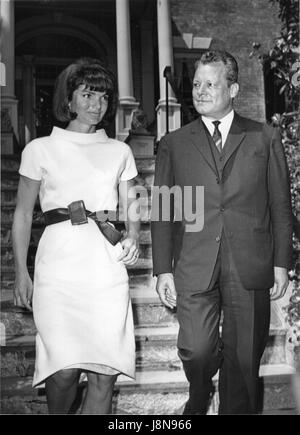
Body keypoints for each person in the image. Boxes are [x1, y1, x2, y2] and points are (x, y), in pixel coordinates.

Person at [151, 50, 293, 415]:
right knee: (197, 350)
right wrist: (163, 268)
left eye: (210, 84)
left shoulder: (264, 138)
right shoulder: (174, 144)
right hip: (194, 260)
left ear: (233, 89)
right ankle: (199, 392)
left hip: (249, 262)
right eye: (196, 83)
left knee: (244, 360)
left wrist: (281, 264)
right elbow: (164, 212)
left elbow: (280, 206)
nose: (200, 90)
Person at [12, 58, 140, 414]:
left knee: (103, 374)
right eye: (87, 95)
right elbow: (22, 213)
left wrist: (132, 236)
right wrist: (21, 272)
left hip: (106, 272)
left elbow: (132, 207)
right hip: (58, 270)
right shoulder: (39, 149)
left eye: (102, 97)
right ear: (68, 100)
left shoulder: (120, 151)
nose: (96, 104)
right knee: (64, 371)